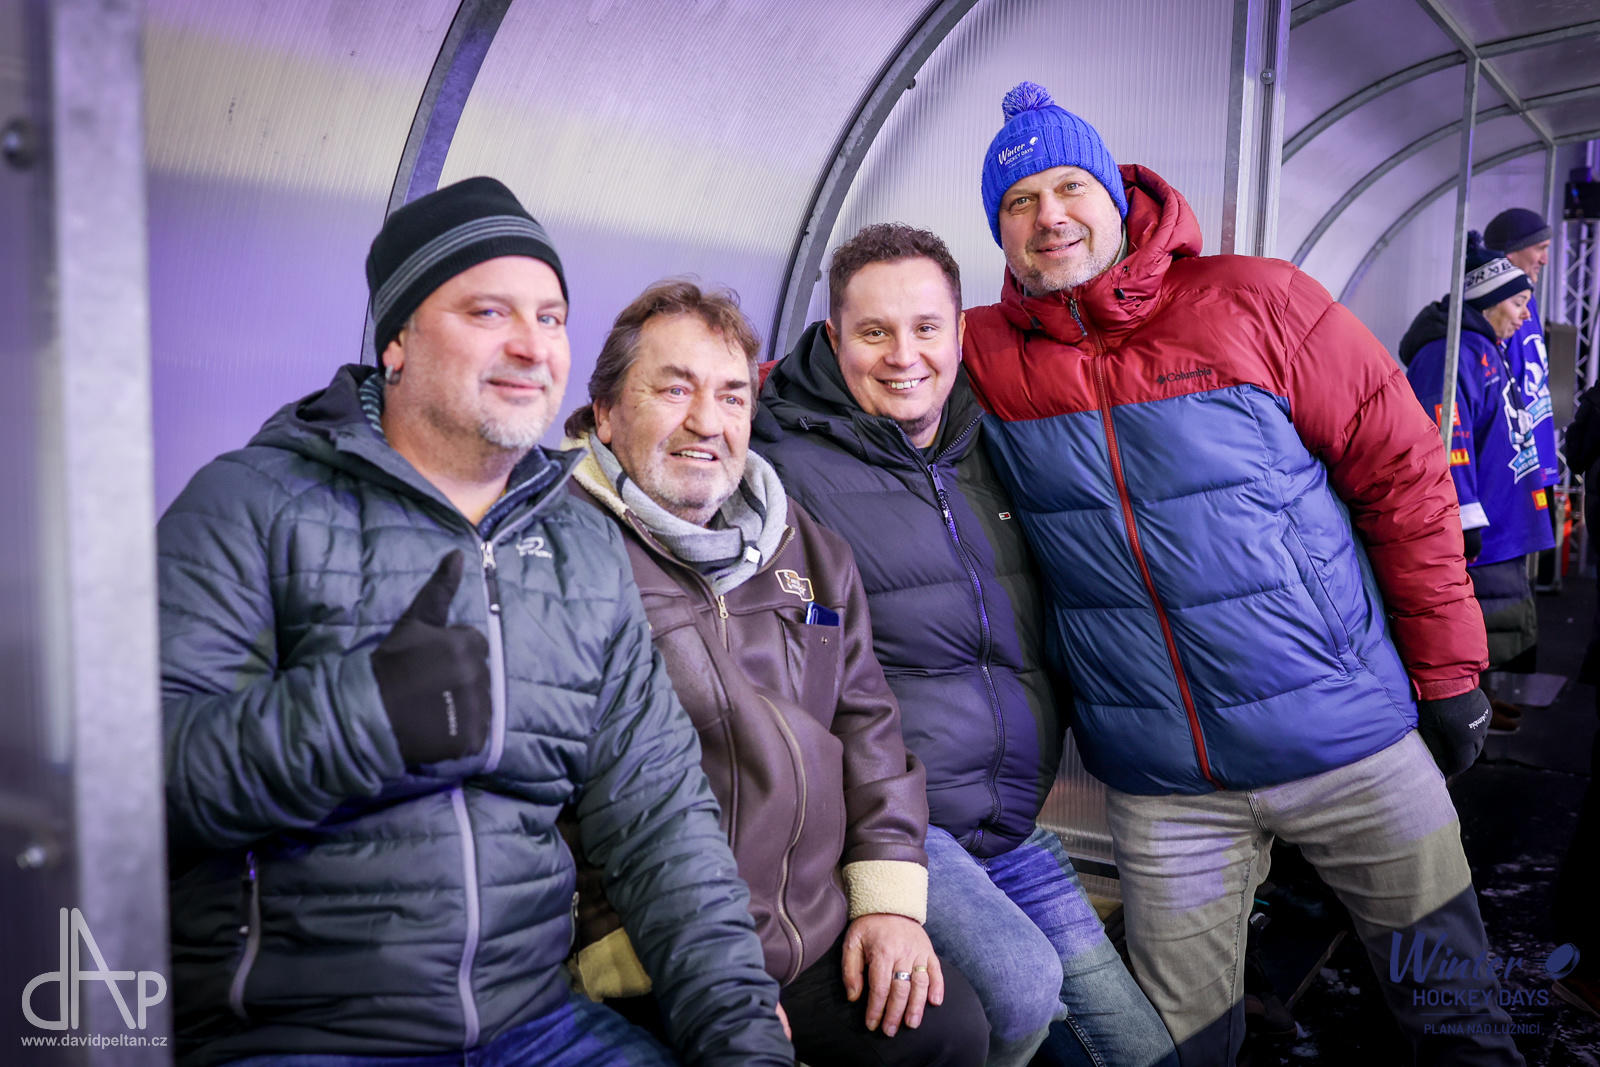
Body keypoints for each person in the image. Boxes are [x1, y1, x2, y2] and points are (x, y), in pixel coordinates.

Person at [158, 178, 791, 1067]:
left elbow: (661, 821)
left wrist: (741, 1035)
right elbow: (140, 785)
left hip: (533, 1023)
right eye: (489, 312)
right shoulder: (254, 505)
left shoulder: (577, 541)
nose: (531, 344)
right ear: (398, 340)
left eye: (551, 316)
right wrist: (366, 716)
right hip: (300, 1030)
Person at [959, 82, 1525, 1066]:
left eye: (1069, 186)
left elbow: (1403, 474)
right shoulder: (985, 356)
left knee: (1455, 1016)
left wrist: (1446, 671)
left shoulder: (1255, 300)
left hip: (1349, 740)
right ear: (1000, 232)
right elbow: (851, 363)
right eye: (1019, 201)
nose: (1049, 215)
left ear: (1114, 192)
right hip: (1168, 787)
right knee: (1181, 1048)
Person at [754, 221, 1176, 1067]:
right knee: (1018, 988)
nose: (903, 355)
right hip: (896, 825)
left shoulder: (988, 440)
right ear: (834, 337)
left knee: (1142, 1052)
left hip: (1010, 823)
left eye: (925, 328)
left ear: (959, 332)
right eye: (874, 332)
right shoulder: (782, 470)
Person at [561, 279, 989, 1067]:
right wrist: (648, 956)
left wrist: (886, 902)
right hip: (650, 943)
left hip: (808, 926)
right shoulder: (561, 552)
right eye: (675, 390)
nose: (707, 421)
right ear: (606, 412)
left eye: (732, 396)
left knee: (947, 1029)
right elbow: (534, 788)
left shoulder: (807, 547)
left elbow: (867, 727)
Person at [1401, 233, 1554, 711]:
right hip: (1481, 529)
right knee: (1476, 625)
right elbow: (1446, 442)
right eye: (1518, 303)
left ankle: (1485, 705)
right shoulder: (1450, 355)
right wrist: (1463, 518)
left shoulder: (1485, 348)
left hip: (1500, 521)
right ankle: (1470, 721)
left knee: (1499, 623)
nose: (1525, 316)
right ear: (1487, 302)